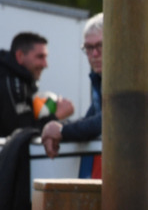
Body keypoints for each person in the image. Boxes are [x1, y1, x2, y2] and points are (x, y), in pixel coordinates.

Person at [40, 13, 105, 158]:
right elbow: (92, 118)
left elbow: (109, 120)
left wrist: (61, 131)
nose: (94, 53)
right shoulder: (99, 78)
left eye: (101, 45)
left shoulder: (126, 78)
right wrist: (58, 127)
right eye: (88, 47)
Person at [1, 31, 74, 137]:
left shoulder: (18, 79)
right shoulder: (10, 83)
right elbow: (21, 134)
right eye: (40, 57)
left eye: (45, 57)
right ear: (20, 56)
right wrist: (57, 115)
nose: (45, 64)